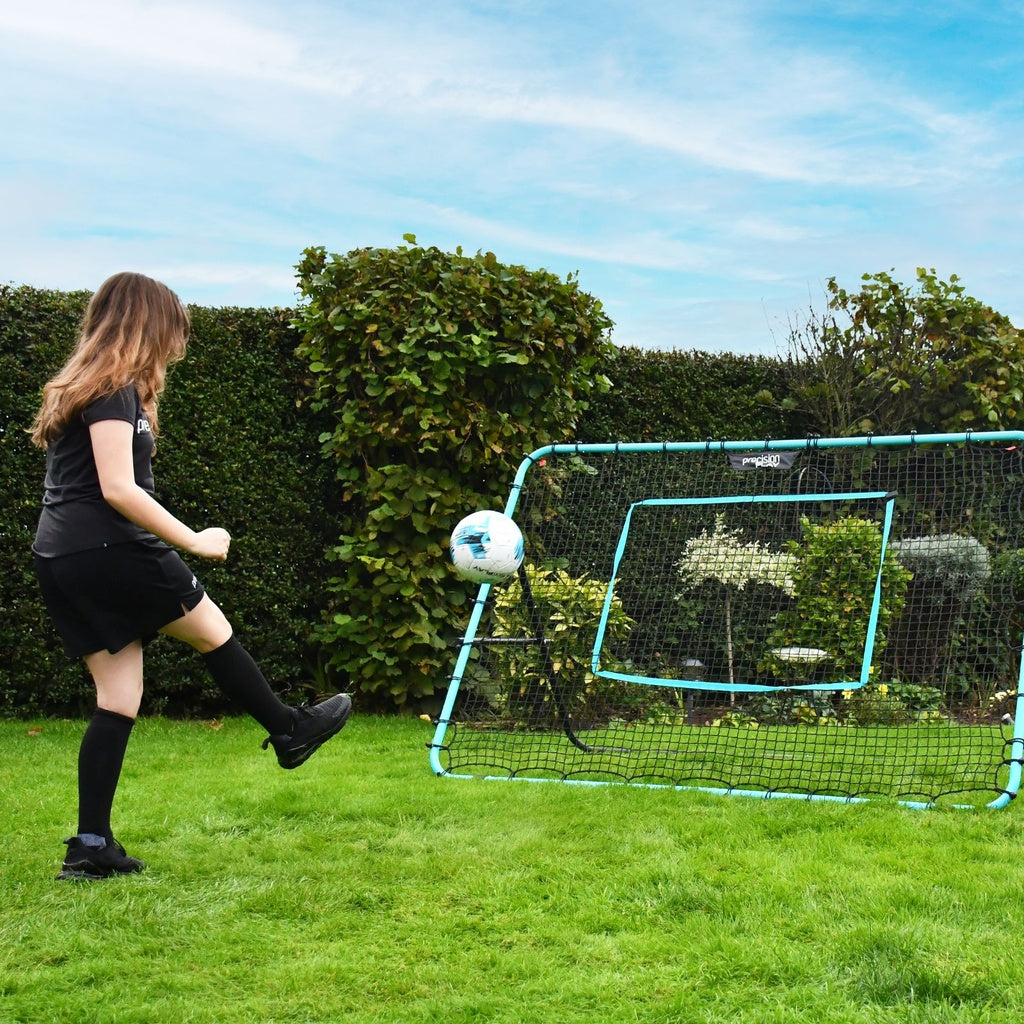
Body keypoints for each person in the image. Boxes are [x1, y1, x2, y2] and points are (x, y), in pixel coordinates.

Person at [30, 271, 351, 882]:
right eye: (172, 330)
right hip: (109, 545)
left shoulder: (89, 386)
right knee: (213, 630)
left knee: (118, 698)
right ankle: (288, 730)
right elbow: (117, 488)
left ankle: (91, 845)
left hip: (62, 555)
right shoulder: (112, 388)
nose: (176, 344)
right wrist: (194, 540)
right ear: (147, 325)